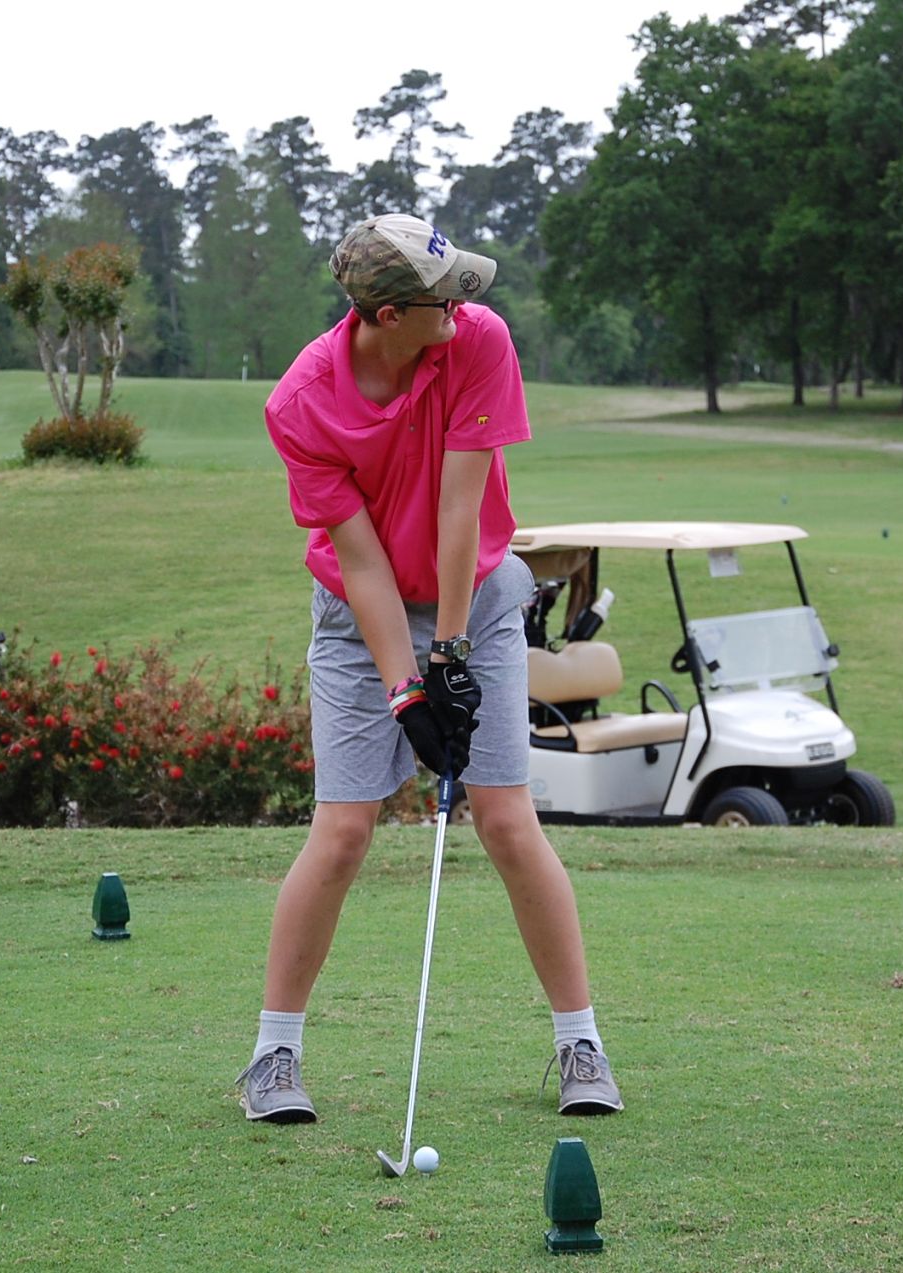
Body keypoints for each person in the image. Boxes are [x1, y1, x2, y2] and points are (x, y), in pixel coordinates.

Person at [237, 213, 622, 1124]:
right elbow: (362, 562)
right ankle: (272, 1058)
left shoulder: (477, 343)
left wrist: (445, 654)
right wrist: (404, 682)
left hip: (477, 596)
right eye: (444, 298)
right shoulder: (301, 402)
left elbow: (462, 511)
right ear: (388, 312)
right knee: (342, 832)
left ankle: (581, 1042)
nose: (464, 307)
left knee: (504, 816)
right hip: (354, 619)